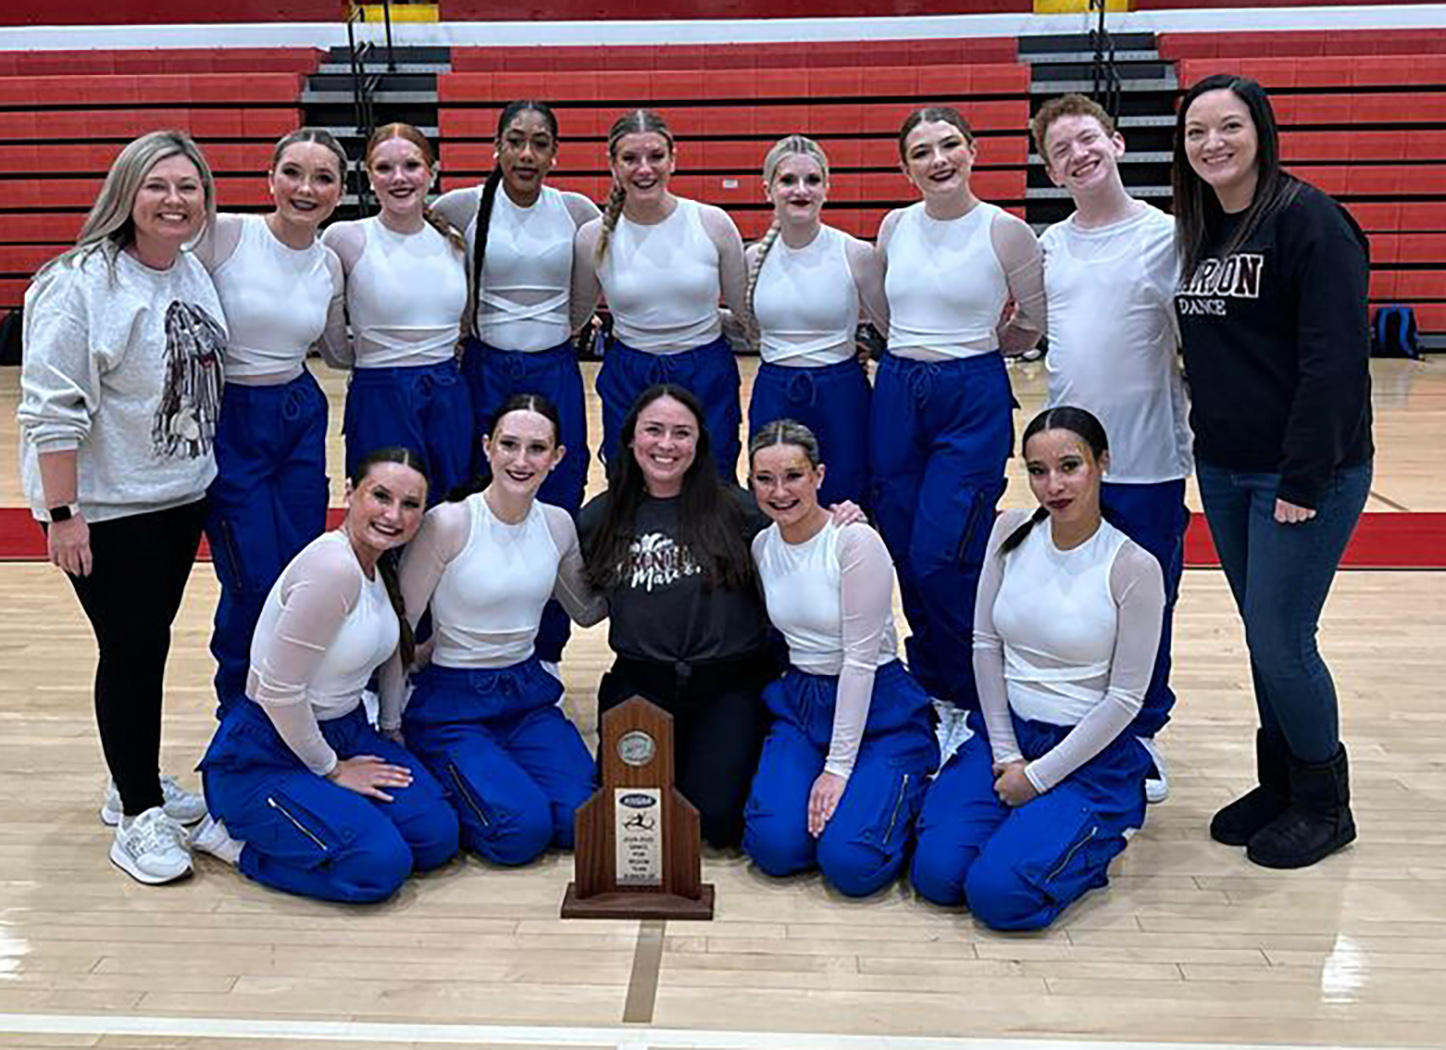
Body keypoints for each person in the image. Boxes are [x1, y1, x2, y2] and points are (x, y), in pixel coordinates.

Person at [1173, 75, 1373, 869]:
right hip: (1224, 467)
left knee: (1283, 639)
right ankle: (1281, 782)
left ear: (1260, 130)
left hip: (1300, 476)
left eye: (1228, 127)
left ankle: (1326, 803)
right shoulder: (1203, 227)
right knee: (1263, 637)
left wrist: (1302, 478)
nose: (1213, 143)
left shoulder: (1310, 222)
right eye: (1196, 133)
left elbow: (1334, 363)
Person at [18, 130, 226, 884]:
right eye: (158, 186)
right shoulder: (77, 283)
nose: (175, 201)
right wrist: (63, 511)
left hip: (176, 493)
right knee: (133, 649)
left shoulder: (191, 271)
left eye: (188, 187)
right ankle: (138, 812)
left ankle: (126, 776)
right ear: (126, 193)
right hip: (105, 508)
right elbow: (49, 406)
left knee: (148, 644)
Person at [910, 407, 1165, 930]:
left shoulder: (1134, 566)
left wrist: (1041, 777)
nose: (1054, 485)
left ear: (1102, 464)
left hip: (1087, 756)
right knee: (937, 877)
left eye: (1070, 466)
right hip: (1007, 740)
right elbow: (984, 644)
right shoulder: (1009, 530)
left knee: (998, 898)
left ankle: (1090, 836)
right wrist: (1007, 754)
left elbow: (1124, 700)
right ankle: (1029, 829)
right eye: (1038, 470)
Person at [193, 448, 460, 902]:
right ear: (350, 492)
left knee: (435, 837)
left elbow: (392, 654)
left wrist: (390, 730)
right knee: (379, 867)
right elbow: (277, 692)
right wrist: (333, 770)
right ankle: (232, 843)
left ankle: (329, 813)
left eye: (410, 504)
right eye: (381, 496)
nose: (394, 515)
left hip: (346, 730)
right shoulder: (332, 567)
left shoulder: (378, 566)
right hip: (266, 752)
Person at [1032, 94, 1192, 802]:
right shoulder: (1048, 247)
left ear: (1118, 144)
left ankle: (1142, 728)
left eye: (1087, 139)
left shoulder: (1170, 237)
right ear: (1050, 169)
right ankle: (1084, 715)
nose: (1078, 154)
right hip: (1068, 464)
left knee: (1147, 600)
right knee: (1079, 596)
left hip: (1148, 455)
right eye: (1061, 149)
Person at [379, 395, 606, 867]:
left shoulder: (558, 524)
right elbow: (398, 628)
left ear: (558, 457)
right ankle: (447, 780)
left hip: (526, 696)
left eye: (537, 448)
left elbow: (586, 611)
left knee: (583, 820)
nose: (521, 461)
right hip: (453, 703)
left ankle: (492, 777)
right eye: (509, 444)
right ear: (487, 448)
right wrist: (389, 723)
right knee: (520, 833)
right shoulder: (449, 523)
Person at [873, 106, 1046, 724]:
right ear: (905, 167)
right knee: (901, 544)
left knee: (945, 551)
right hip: (896, 390)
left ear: (973, 150)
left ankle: (977, 693)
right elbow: (888, 314)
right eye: (922, 152)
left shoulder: (1005, 232)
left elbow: (1033, 321)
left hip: (970, 394)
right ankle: (932, 684)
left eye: (949, 145)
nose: (938, 160)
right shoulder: (894, 226)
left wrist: (973, 353)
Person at [432, 100, 601, 668]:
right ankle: (463, 643)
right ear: (497, 147)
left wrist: (555, 337)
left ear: (555, 152)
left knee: (555, 499)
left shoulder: (575, 211)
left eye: (539, 143)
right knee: (475, 495)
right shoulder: (460, 206)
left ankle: (545, 651)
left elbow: (582, 299)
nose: (526, 154)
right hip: (484, 369)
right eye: (515, 140)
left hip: (553, 366)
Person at [743, 420, 938, 896]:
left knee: (852, 866)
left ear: (819, 476)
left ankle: (908, 794)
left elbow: (859, 661)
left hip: (876, 705)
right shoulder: (762, 545)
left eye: (793, 476)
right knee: (775, 850)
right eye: (764, 479)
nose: (780, 491)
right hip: (803, 703)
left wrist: (838, 768)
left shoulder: (855, 542)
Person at [192, 127, 348, 714]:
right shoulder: (225, 235)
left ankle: (295, 695)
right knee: (250, 578)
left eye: (323, 177)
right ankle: (239, 708)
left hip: (299, 415)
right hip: (232, 418)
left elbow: (338, 348)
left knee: (299, 575)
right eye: (294, 173)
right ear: (270, 178)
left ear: (339, 190)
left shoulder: (330, 261)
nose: (306, 188)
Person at [578, 385, 772, 848]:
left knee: (718, 823)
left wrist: (845, 519)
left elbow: (805, 539)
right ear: (629, 439)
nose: (667, 445)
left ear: (699, 443)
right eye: (654, 430)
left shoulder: (740, 512)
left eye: (681, 433)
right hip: (643, 683)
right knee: (631, 821)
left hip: (726, 683)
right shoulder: (599, 519)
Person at [572, 109, 749, 480]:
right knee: (629, 483)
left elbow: (747, 314)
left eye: (655, 156)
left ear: (673, 159)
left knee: (713, 481)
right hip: (630, 373)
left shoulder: (713, 223)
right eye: (630, 158)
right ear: (613, 164)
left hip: (706, 372)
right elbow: (573, 318)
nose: (644, 168)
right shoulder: (592, 236)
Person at [324, 123, 472, 504]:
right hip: (379, 396)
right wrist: (369, 362)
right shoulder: (344, 238)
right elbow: (332, 341)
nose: (399, 178)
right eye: (385, 168)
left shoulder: (453, 239)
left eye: (411, 165)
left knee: (447, 507)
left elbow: (463, 319)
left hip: (448, 393)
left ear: (432, 172)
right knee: (384, 509)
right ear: (369, 176)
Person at [745, 136, 886, 510]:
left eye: (812, 180)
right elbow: (739, 324)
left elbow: (891, 328)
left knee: (846, 496)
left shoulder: (855, 253)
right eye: (788, 180)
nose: (800, 190)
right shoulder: (751, 259)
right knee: (776, 497)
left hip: (841, 394)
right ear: (768, 189)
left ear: (828, 186)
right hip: (773, 390)